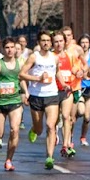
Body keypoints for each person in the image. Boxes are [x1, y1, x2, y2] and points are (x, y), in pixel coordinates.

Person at [0, 38, 27, 171]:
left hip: (15, 101)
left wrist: (26, 91)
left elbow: (21, 79)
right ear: (3, 49)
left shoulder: (20, 63)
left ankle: (9, 160)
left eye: (12, 47)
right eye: (7, 47)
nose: (10, 50)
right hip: (0, 103)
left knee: (15, 130)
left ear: (15, 48)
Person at [24, 33, 63, 170]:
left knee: (51, 126)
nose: (46, 43)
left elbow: (56, 72)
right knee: (39, 128)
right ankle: (34, 129)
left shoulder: (55, 58)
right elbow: (21, 74)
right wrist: (37, 79)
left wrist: (63, 83)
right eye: (43, 40)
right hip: (36, 95)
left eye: (48, 41)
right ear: (39, 42)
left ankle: (50, 157)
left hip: (52, 94)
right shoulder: (34, 57)